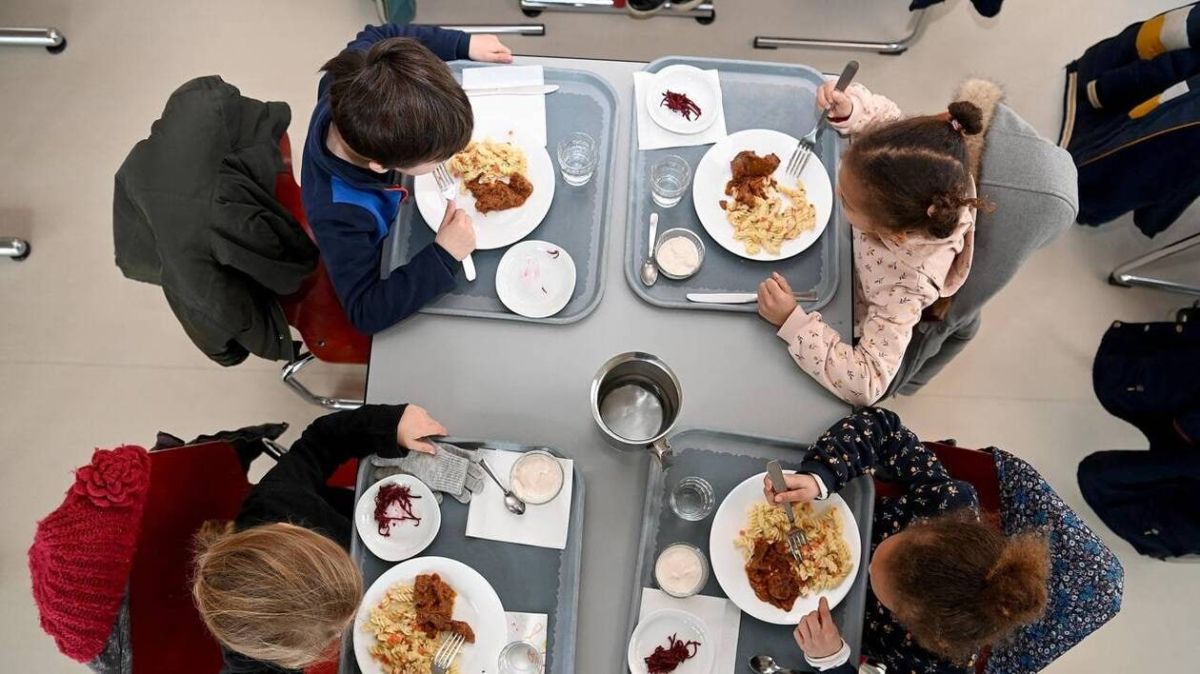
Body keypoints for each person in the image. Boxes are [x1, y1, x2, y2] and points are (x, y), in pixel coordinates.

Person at [763, 407, 1049, 673]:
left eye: (880, 583)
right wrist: (821, 476)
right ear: (931, 527)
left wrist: (833, 659)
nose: (868, 567)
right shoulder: (948, 502)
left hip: (827, 626)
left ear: (914, 624)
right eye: (900, 539)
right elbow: (882, 430)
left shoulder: (936, 661)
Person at [757, 82, 992, 406]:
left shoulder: (905, 287)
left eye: (848, 203)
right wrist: (851, 110)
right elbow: (885, 118)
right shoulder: (913, 161)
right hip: (837, 257)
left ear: (891, 233)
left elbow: (867, 383)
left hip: (843, 302)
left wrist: (793, 322)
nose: (838, 196)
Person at [192, 404, 447, 673]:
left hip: (363, 526)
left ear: (290, 528)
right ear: (290, 660)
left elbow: (322, 440)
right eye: (334, 634)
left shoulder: (279, 499)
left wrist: (390, 424)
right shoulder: (251, 653)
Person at [301, 25, 513, 335]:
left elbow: (384, 32)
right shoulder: (339, 215)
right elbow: (365, 312)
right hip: (388, 246)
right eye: (438, 159)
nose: (449, 160)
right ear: (380, 166)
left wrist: (462, 44)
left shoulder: (358, 71)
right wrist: (443, 256)